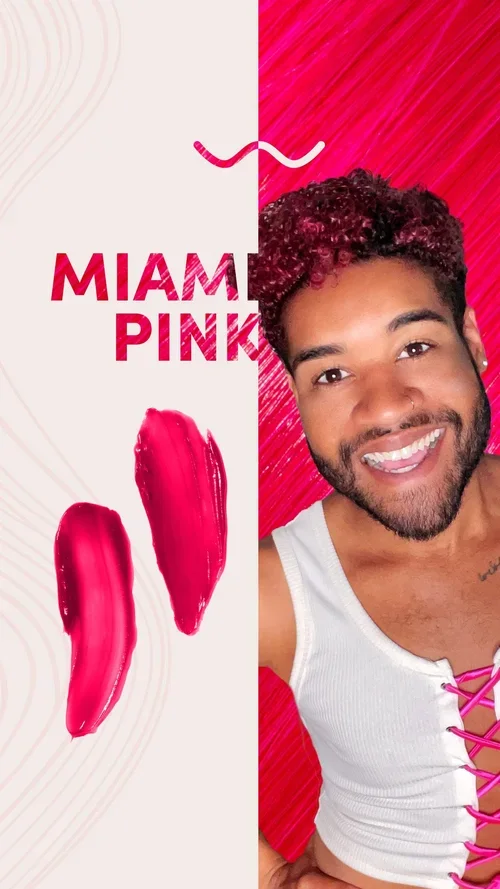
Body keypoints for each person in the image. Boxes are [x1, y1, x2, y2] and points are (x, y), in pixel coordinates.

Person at [252, 170, 500, 889]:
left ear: (473, 340)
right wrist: (270, 877)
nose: (386, 406)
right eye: (331, 375)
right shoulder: (276, 589)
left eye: (415, 347)